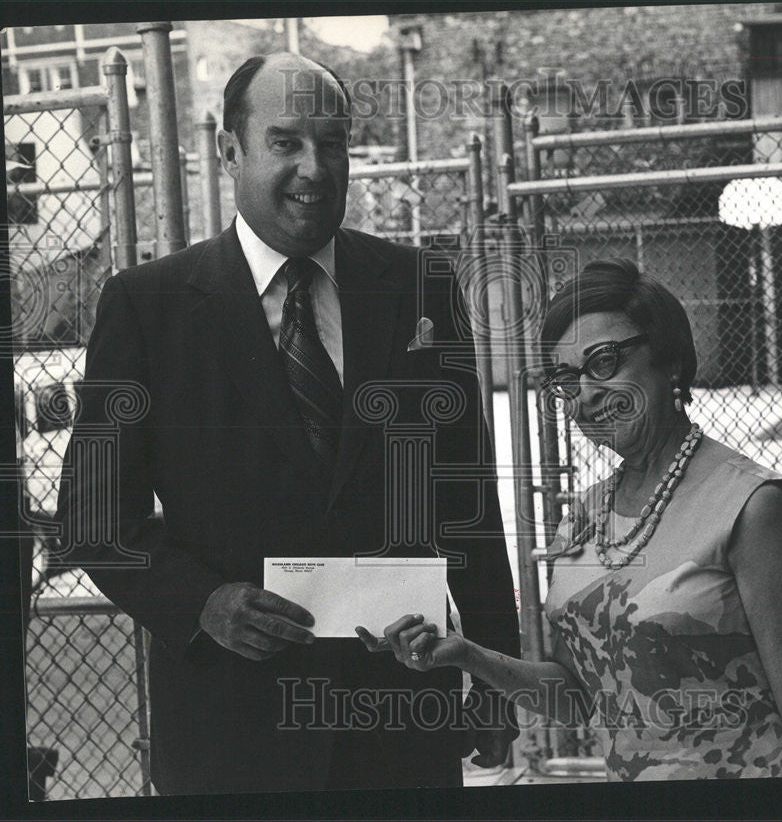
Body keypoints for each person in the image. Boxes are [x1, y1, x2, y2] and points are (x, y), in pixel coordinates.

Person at [56, 53, 520, 795]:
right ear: (230, 150)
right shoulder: (150, 307)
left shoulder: (419, 288)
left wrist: (497, 666)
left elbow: (465, 500)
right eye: (286, 142)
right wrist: (202, 604)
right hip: (231, 732)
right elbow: (90, 516)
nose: (314, 166)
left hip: (398, 720)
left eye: (331, 142)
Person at [362, 258, 782, 780]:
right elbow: (582, 696)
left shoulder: (753, 506)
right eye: (567, 378)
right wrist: (466, 656)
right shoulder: (585, 516)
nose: (585, 393)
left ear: (671, 360)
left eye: (605, 361)